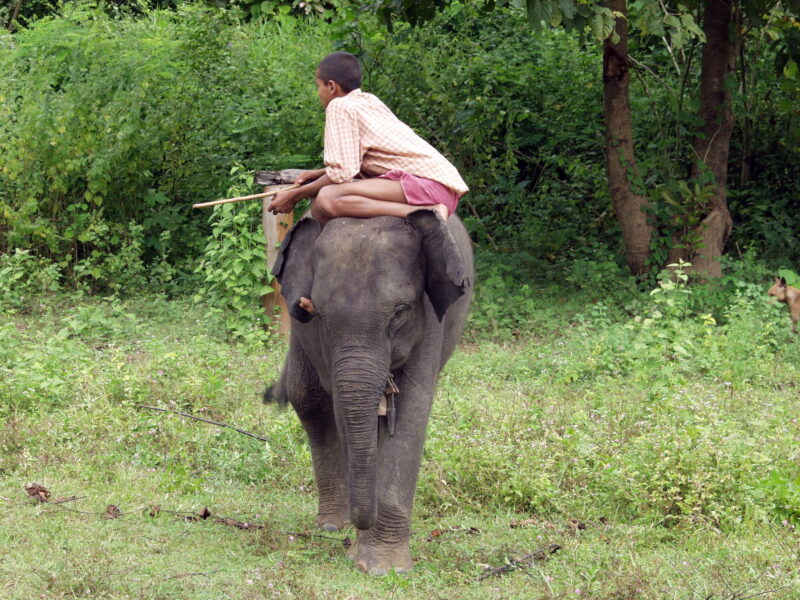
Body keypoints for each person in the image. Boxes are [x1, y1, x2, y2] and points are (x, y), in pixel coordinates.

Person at [267, 51, 468, 225]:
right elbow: (355, 161)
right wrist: (321, 173)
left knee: (326, 198)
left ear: (331, 86)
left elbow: (342, 174)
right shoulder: (368, 100)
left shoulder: (339, 106)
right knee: (325, 199)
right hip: (443, 188)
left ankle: (427, 213)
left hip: (424, 186)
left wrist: (294, 195)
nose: (318, 92)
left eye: (317, 85)